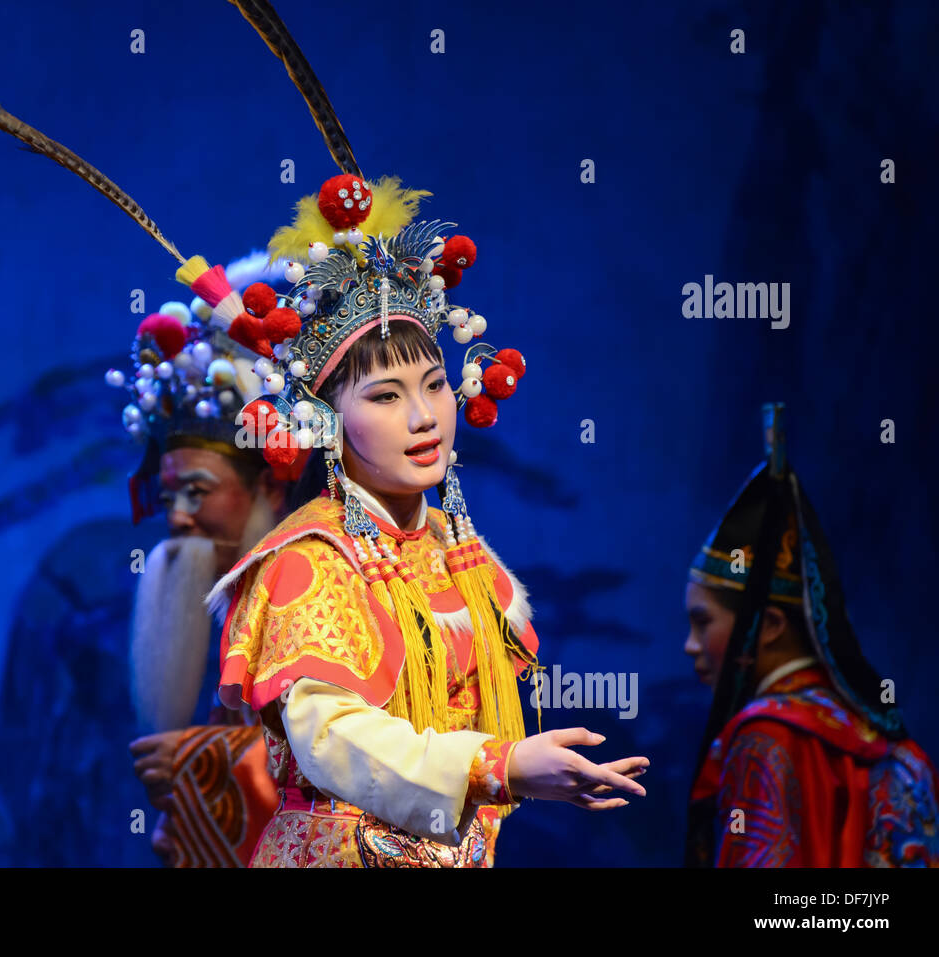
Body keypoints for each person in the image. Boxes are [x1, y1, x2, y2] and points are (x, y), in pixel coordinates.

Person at [177, 168, 649, 866]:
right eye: (387, 395)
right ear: (326, 420)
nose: (425, 416)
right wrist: (502, 766)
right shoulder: (310, 559)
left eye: (433, 385)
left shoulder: (451, 549)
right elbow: (334, 736)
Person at [684, 403, 939, 867]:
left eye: (703, 623)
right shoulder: (880, 734)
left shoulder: (763, 737)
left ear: (771, 627)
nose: (690, 645)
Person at [113, 253, 293, 866]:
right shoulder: (234, 606)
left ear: (268, 491)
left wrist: (201, 761)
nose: (179, 517)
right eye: (169, 498)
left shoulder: (311, 592)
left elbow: (351, 764)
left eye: (198, 491)